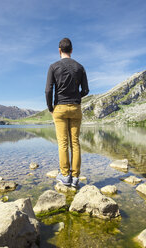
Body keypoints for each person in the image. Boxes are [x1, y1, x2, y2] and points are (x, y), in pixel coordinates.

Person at [45, 38, 89, 187]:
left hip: (60, 109)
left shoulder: (53, 67)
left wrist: (50, 107)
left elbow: (48, 89)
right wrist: (76, 97)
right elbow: (86, 90)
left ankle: (65, 176)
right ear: (71, 50)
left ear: (59, 50)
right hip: (75, 108)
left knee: (63, 143)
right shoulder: (80, 67)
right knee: (75, 143)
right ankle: (75, 177)